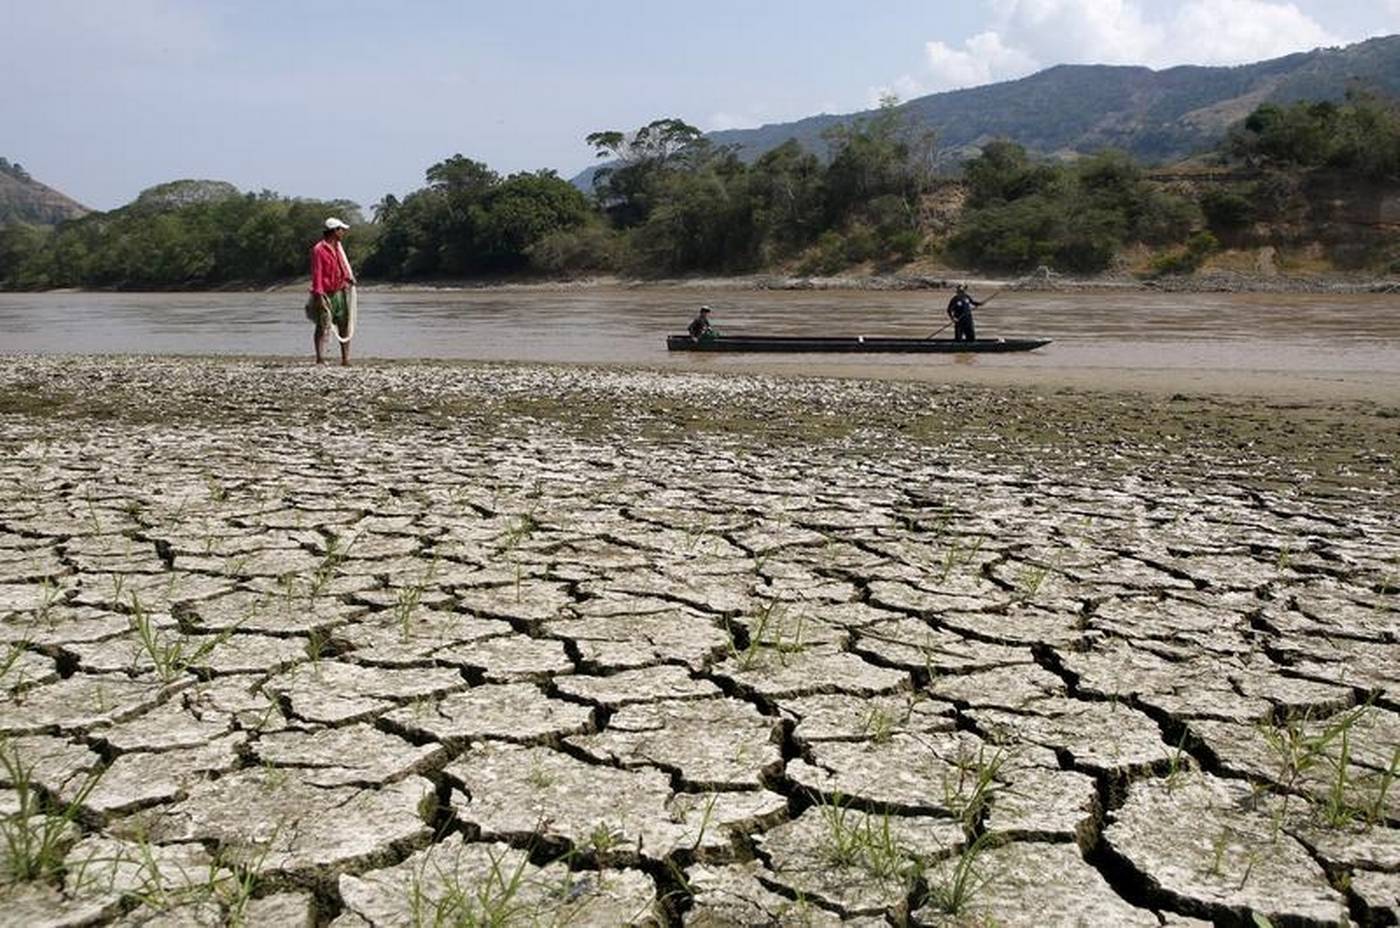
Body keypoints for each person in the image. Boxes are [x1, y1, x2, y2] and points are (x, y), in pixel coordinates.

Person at [306, 217, 356, 366]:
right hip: (325, 293)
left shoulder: (338, 248)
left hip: (340, 291)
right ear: (334, 231)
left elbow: (341, 266)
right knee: (322, 325)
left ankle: (345, 359)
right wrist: (319, 295)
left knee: (344, 324)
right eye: (341, 230)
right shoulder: (319, 249)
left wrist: (348, 278)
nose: (343, 233)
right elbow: (317, 273)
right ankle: (320, 358)